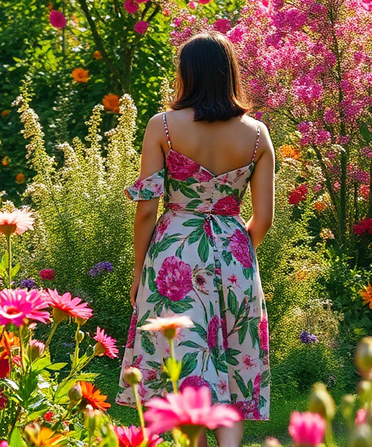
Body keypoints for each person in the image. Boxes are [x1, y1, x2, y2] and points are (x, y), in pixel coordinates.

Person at [116, 31, 274, 447]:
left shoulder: (163, 126)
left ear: (186, 74)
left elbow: (147, 207)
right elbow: (265, 218)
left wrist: (138, 270)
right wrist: (235, 256)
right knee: (230, 360)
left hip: (175, 252)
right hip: (235, 251)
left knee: (184, 359)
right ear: (229, 75)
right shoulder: (257, 135)